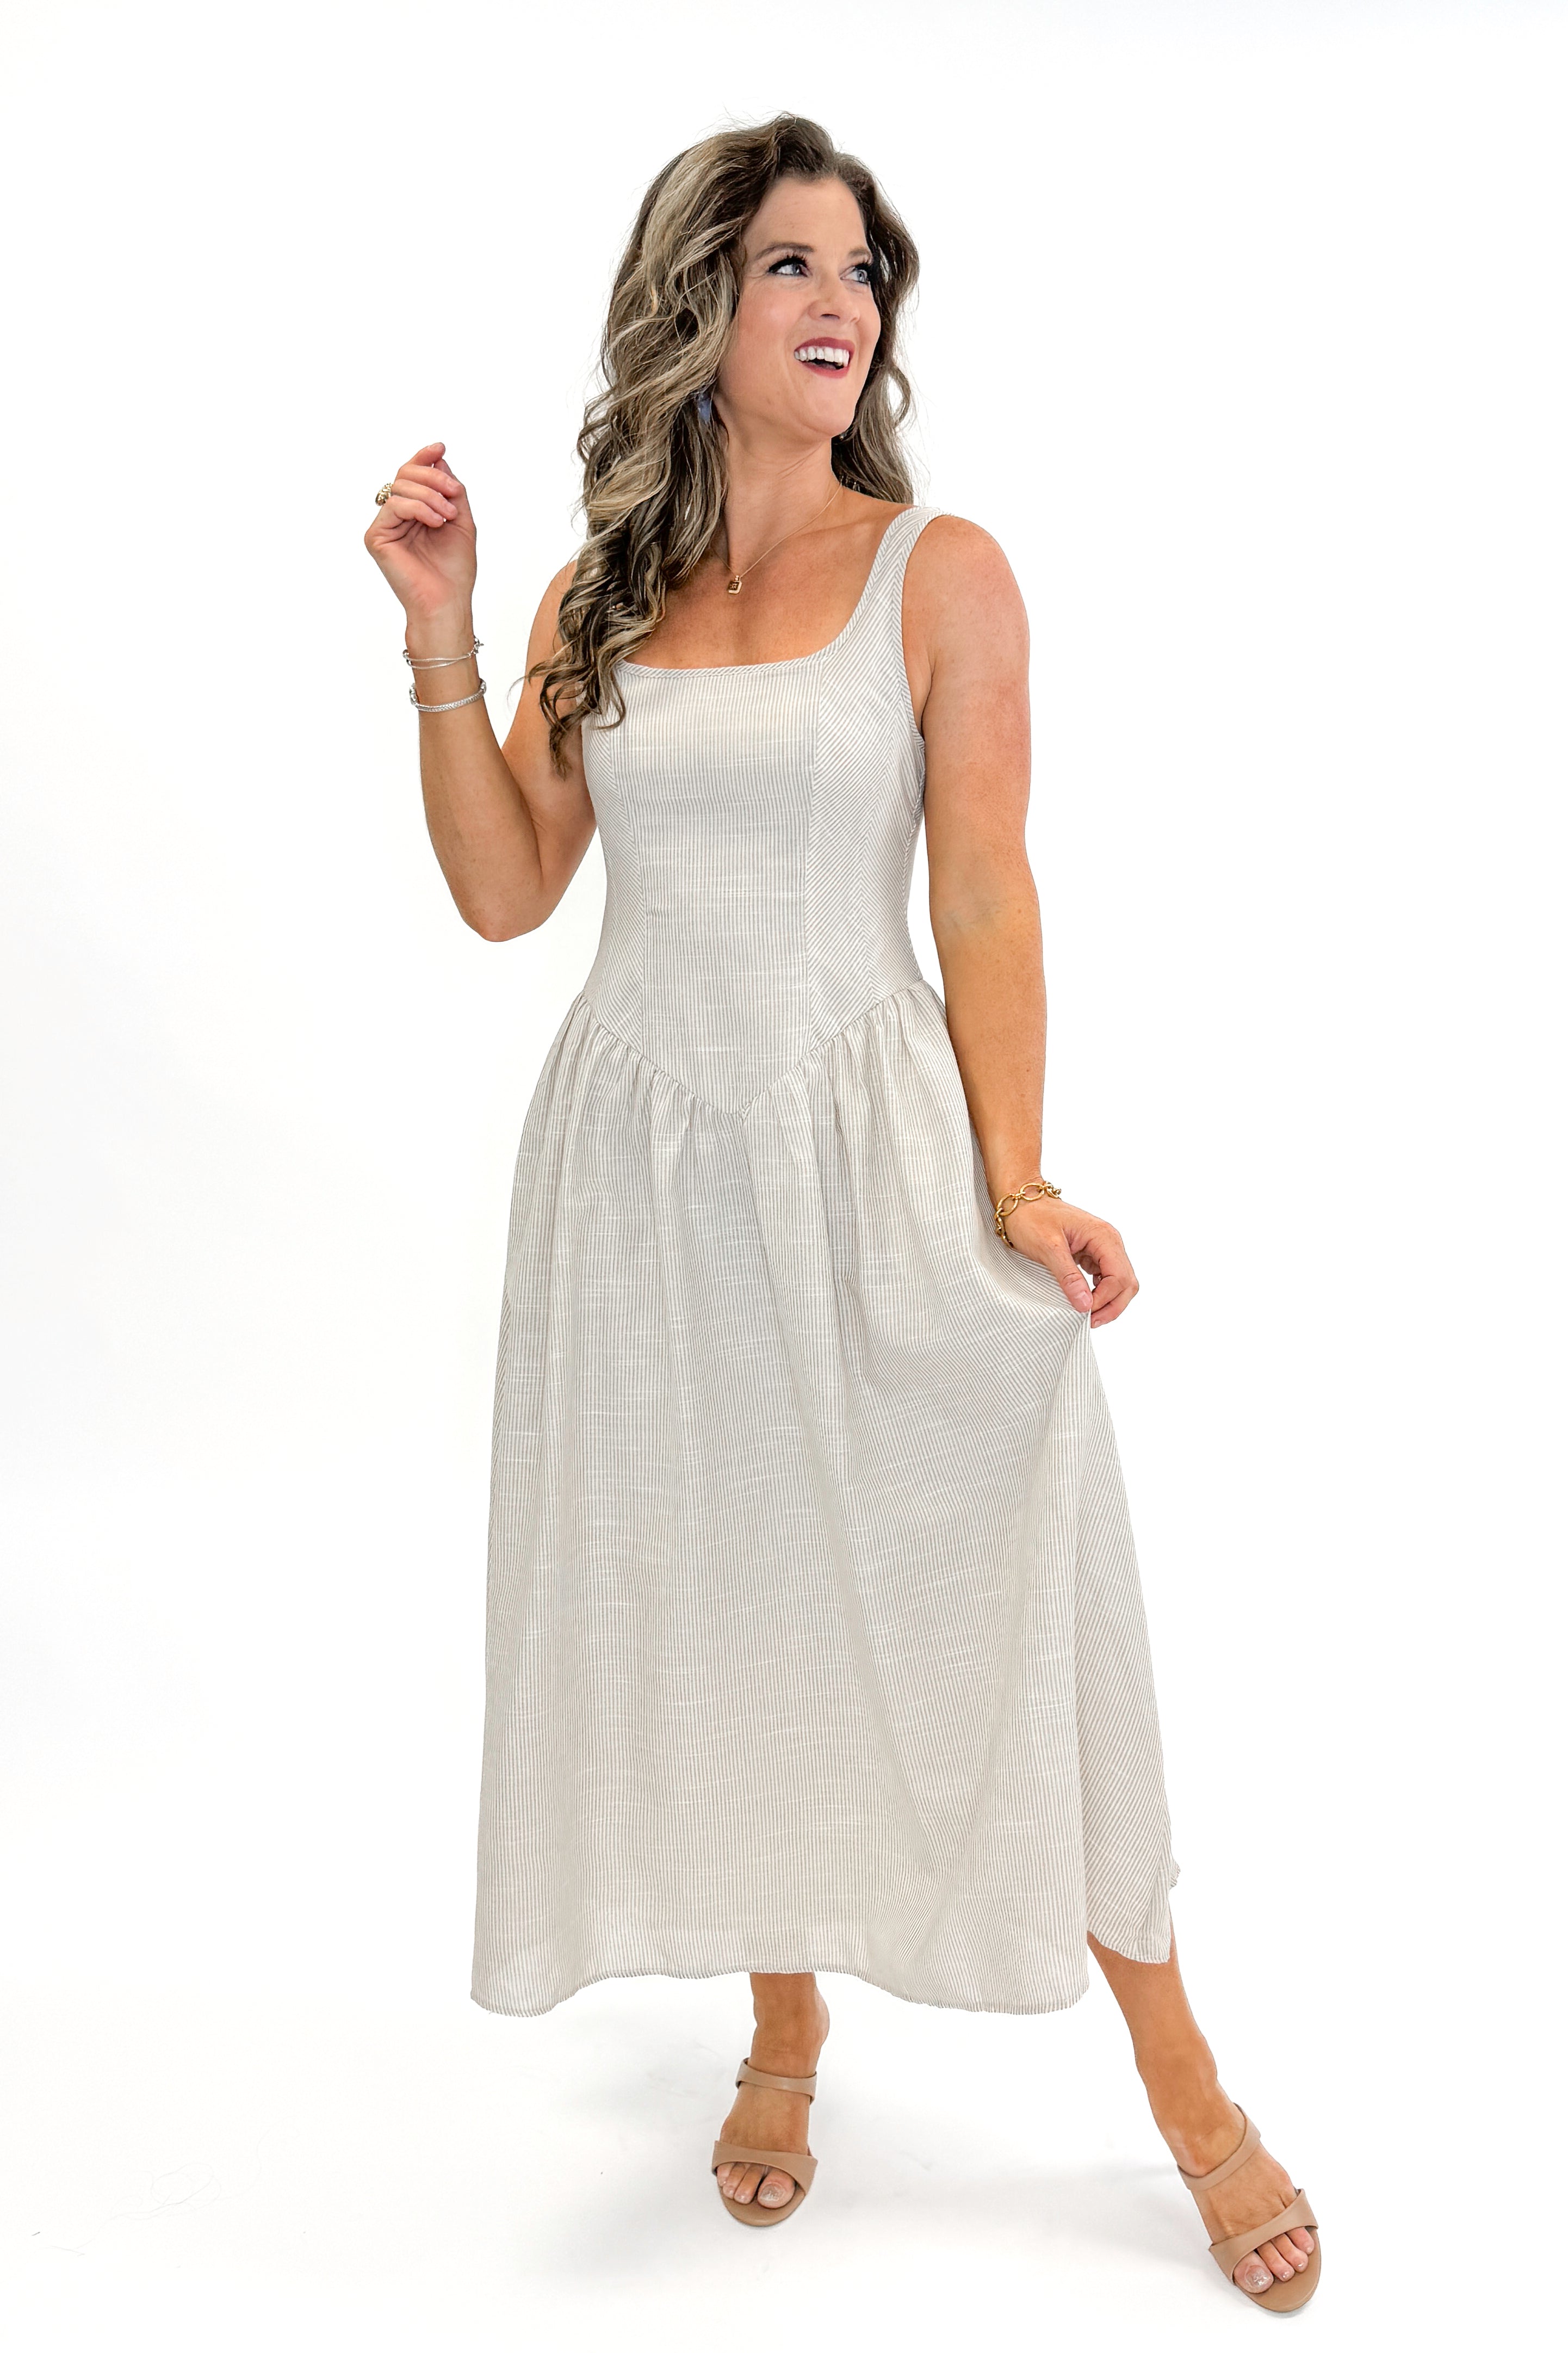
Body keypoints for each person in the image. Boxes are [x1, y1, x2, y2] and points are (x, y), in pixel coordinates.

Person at [363, 113, 1318, 2312]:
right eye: (790, 262)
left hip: (866, 1145)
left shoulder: (939, 569)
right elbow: (507, 892)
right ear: (696, 302)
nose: (838, 301)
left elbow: (981, 885)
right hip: (636, 1165)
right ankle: (781, 2021)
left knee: (1016, 1591)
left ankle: (1183, 2080)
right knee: (723, 1595)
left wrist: (1018, 1175)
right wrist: (439, 635)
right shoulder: (598, 595)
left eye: (860, 268)